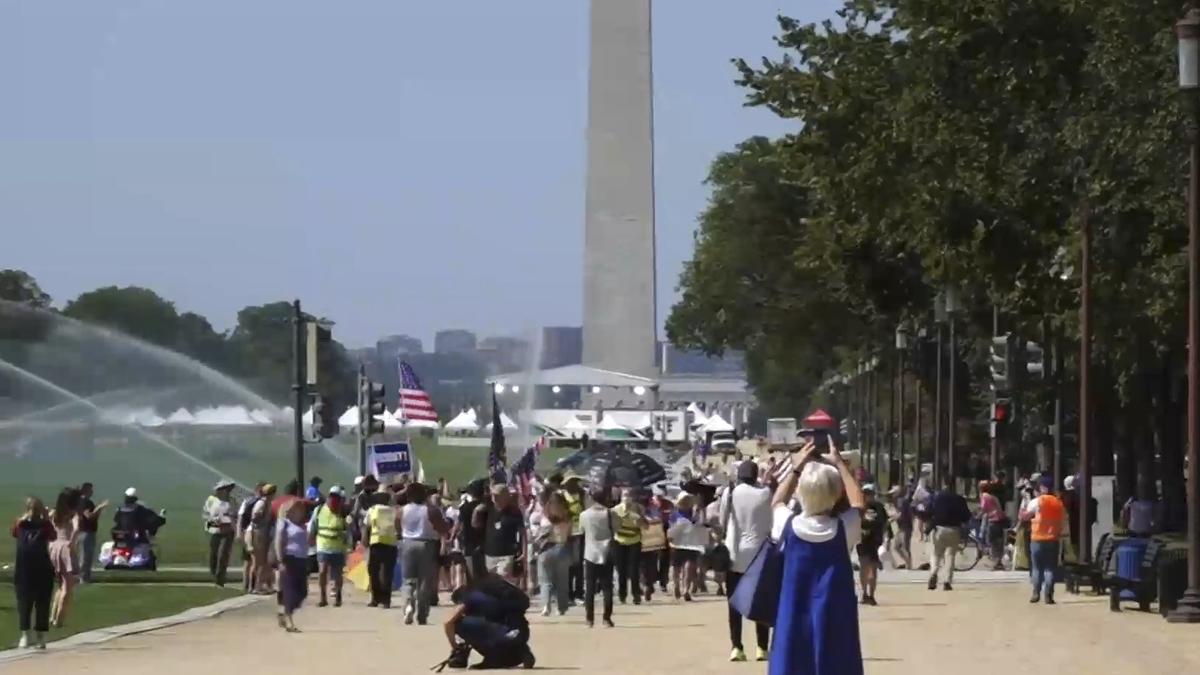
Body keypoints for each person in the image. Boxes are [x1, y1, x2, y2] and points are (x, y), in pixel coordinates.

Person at [768, 440, 864, 675]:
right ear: (836, 493)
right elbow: (858, 503)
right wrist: (840, 464)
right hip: (835, 614)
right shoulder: (844, 528)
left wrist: (797, 468)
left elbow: (777, 501)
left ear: (801, 492)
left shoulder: (787, 525)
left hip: (794, 611)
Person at [720, 460, 772, 663]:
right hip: (759, 554)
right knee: (761, 601)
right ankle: (762, 647)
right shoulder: (766, 492)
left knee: (733, 603)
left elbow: (722, 520)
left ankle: (737, 647)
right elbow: (771, 522)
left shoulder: (730, 492)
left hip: (735, 553)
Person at [442, 574, 536, 670]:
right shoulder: (493, 591)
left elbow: (448, 622)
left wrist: (455, 647)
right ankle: (522, 652)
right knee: (497, 629)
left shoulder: (470, 596)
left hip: (502, 636)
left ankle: (492, 659)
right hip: (521, 633)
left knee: (458, 623)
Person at [400, 482, 449, 625]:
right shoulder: (431, 510)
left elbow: (397, 526)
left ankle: (408, 604)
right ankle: (422, 613)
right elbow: (442, 528)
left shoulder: (402, 510)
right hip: (427, 544)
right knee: (425, 581)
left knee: (408, 579)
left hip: (407, 543)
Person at [12, 497, 55, 649]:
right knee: (24, 603)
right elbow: (15, 531)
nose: (34, 512)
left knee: (42, 603)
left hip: (42, 568)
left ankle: (40, 635)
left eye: (37, 509)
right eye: (32, 509)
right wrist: (24, 518)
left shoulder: (45, 525)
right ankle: (25, 634)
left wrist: (47, 518)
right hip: (24, 569)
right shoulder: (21, 524)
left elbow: (53, 535)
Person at [1020, 475, 1065, 604]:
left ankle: (1036, 593)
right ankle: (1049, 595)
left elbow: (1024, 517)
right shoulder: (1058, 502)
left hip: (1037, 539)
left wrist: (1024, 503)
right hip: (1053, 539)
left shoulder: (1037, 501)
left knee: (1036, 568)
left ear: (1043, 488)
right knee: (1050, 568)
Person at [579, 488, 615, 628]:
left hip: (590, 553)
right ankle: (607, 619)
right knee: (607, 587)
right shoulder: (610, 513)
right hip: (607, 553)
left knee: (589, 588)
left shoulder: (584, 515)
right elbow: (616, 529)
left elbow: (581, 531)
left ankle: (589, 619)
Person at [475, 485, 524, 586]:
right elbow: (475, 524)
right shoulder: (488, 509)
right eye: (493, 495)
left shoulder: (514, 512)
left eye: (497, 495)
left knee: (504, 580)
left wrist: (524, 551)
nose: (494, 497)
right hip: (490, 554)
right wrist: (476, 512)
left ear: (505, 496)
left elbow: (523, 533)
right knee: (493, 584)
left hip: (506, 554)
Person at [927, 479, 971, 591]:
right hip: (954, 529)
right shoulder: (959, 499)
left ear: (944, 484)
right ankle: (947, 581)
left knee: (936, 554)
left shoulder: (937, 497)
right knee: (950, 555)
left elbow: (928, 511)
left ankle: (934, 572)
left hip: (938, 528)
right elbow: (966, 516)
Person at [309, 485, 349, 607]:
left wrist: (348, 542)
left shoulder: (343, 511)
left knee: (337, 574)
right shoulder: (319, 510)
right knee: (322, 571)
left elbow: (348, 529)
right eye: (331, 496)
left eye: (336, 497)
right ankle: (323, 598)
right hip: (323, 546)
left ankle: (338, 596)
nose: (333, 499)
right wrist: (310, 538)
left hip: (338, 547)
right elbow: (313, 525)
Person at [536, 490, 573, 616]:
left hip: (547, 550)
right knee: (562, 581)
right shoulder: (568, 518)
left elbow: (541, 537)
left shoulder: (546, 518)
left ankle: (546, 606)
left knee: (545, 580)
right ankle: (561, 608)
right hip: (562, 549)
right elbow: (570, 536)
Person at [48, 488, 81, 628]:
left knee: (60, 585)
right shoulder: (73, 515)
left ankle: (52, 616)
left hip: (54, 547)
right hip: (66, 548)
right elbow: (77, 528)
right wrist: (72, 542)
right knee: (68, 586)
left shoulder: (55, 513)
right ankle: (59, 620)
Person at [274, 498, 309, 632]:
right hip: (290, 558)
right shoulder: (284, 523)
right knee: (290, 590)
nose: (301, 511)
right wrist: (280, 560)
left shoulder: (301, 525)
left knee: (302, 592)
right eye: (297, 509)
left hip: (302, 559)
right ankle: (289, 621)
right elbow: (279, 540)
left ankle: (284, 612)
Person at [667, 494, 707, 602]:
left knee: (687, 567)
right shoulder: (674, 514)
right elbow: (671, 529)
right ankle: (677, 585)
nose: (686, 503)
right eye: (684, 501)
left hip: (691, 543)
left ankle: (685, 589)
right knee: (678, 567)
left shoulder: (694, 513)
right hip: (680, 543)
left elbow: (701, 525)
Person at [610, 488, 646, 606]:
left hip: (634, 541)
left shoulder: (639, 508)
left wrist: (638, 518)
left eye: (629, 495)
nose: (627, 497)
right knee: (621, 571)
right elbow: (611, 526)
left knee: (634, 570)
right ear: (621, 497)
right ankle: (622, 594)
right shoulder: (614, 510)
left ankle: (636, 595)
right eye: (625, 495)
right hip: (619, 542)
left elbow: (645, 526)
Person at [363, 490, 399, 609]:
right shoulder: (394, 511)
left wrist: (364, 541)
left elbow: (366, 527)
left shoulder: (372, 510)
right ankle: (385, 601)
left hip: (376, 544)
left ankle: (375, 599)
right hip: (391, 544)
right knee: (387, 573)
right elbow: (399, 527)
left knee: (374, 572)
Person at [857, 484, 888, 605]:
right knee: (865, 567)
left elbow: (885, 523)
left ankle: (871, 595)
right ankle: (865, 593)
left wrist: (885, 538)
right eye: (866, 493)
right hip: (863, 541)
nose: (868, 496)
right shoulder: (859, 507)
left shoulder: (878, 507)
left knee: (872, 569)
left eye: (869, 493)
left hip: (873, 541)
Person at [203, 480, 237, 587]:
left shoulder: (232, 501)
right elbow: (205, 514)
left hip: (227, 531)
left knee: (223, 555)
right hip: (214, 530)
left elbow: (235, 515)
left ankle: (220, 579)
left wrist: (229, 519)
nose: (227, 492)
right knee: (213, 555)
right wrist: (213, 519)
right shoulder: (211, 500)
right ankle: (214, 573)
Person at [560, 475, 587, 601]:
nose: (573, 484)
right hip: (566, 533)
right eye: (571, 482)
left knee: (578, 564)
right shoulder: (561, 496)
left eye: (575, 482)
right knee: (567, 564)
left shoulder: (582, 495)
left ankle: (579, 592)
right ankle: (568, 592)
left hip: (579, 532)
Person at [236, 482, 266, 592]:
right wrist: (239, 531)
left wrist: (239, 531)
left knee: (249, 560)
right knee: (251, 560)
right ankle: (249, 585)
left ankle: (247, 585)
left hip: (248, 531)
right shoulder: (254, 502)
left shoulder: (249, 501)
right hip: (251, 531)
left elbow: (240, 517)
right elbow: (241, 517)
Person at [249, 483, 278, 593]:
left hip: (263, 533)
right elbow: (255, 516)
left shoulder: (267, 503)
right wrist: (262, 520)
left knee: (264, 561)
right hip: (259, 533)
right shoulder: (262, 503)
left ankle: (261, 584)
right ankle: (257, 586)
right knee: (260, 561)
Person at [75, 483, 106, 584]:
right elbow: (89, 516)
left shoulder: (81, 502)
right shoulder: (85, 502)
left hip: (84, 531)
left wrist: (98, 511)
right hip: (86, 532)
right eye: (90, 489)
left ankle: (85, 577)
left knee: (86, 556)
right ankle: (83, 578)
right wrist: (100, 507)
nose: (92, 492)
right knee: (85, 556)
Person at [458, 480, 488, 581]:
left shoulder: (464, 508)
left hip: (469, 544)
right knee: (485, 577)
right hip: (484, 544)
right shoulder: (486, 507)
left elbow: (461, 527)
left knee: (472, 578)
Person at [978, 480, 1007, 570]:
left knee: (991, 541)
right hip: (999, 520)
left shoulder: (984, 496)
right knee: (998, 541)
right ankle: (999, 561)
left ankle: (994, 562)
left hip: (992, 520)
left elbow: (983, 508)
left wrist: (978, 516)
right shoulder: (993, 497)